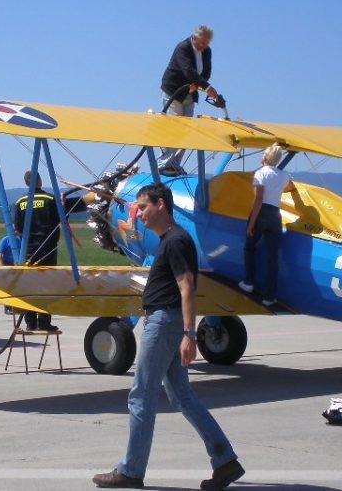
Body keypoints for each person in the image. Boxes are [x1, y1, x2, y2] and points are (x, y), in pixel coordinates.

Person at [93, 183, 243, 490]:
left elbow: (187, 287)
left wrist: (190, 334)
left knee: (141, 396)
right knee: (181, 396)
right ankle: (225, 461)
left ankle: (131, 471)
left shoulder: (175, 241)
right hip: (165, 322)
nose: (139, 213)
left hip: (164, 324)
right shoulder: (170, 240)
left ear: (161, 205)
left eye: (143, 207)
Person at [13, 170, 87, 330]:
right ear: (40, 180)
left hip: (29, 250)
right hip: (48, 249)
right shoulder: (50, 199)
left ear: (26, 183)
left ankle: (30, 323)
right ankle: (44, 322)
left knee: (30, 286)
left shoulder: (20, 202)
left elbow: (17, 228)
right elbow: (62, 219)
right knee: (47, 286)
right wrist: (61, 203)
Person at [238, 143, 297, 306]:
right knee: (273, 257)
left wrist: (252, 223)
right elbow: (291, 187)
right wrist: (277, 189)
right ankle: (269, 297)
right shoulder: (283, 175)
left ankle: (249, 282)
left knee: (249, 247)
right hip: (275, 215)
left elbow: (258, 199)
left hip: (261, 212)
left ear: (264, 157)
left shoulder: (260, 174)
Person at [157, 25, 220, 176]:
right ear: (195, 38)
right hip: (173, 91)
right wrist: (206, 87)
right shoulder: (183, 47)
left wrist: (200, 84)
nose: (203, 46)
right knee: (173, 127)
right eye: (201, 42)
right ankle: (164, 164)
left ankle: (175, 165)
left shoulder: (207, 51)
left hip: (190, 93)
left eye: (206, 43)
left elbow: (206, 72)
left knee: (186, 130)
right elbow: (187, 70)